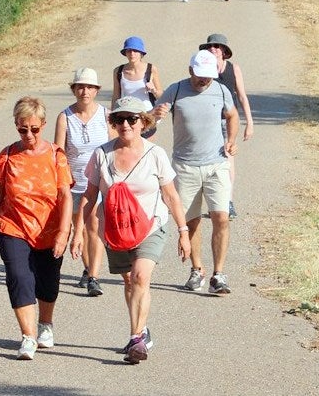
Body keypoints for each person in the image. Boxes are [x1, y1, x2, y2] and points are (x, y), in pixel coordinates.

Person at [72, 97, 191, 364]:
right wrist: (78, 232)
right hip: (116, 230)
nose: (125, 124)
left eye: (132, 119)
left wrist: (183, 231)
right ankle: (140, 331)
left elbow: (170, 195)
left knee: (139, 277)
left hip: (151, 226)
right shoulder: (102, 154)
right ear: (113, 123)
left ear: (143, 122)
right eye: (118, 119)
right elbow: (89, 196)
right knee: (129, 282)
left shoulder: (155, 154)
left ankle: (137, 338)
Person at [0, 97, 73, 360]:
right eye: (23, 129)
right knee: (19, 276)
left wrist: (64, 233)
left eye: (34, 128)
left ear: (43, 125)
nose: (29, 134)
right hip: (12, 225)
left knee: (48, 281)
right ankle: (28, 336)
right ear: (16, 126)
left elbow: (65, 195)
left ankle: (45, 324)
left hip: (50, 228)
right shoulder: (8, 155)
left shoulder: (56, 155)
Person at [153, 51, 239, 295]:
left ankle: (219, 274)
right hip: (184, 166)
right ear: (190, 70)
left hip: (217, 164)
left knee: (221, 217)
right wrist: (154, 115)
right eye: (200, 76)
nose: (204, 81)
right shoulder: (176, 90)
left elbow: (232, 115)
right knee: (191, 221)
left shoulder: (221, 90)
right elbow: (150, 120)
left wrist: (231, 140)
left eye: (209, 77)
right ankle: (197, 269)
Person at [54, 68, 114, 297]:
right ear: (74, 90)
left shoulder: (105, 116)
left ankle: (94, 277)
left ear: (96, 90)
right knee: (80, 227)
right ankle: (88, 269)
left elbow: (112, 148)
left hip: (98, 183)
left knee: (94, 227)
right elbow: (58, 152)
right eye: (80, 87)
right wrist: (60, 183)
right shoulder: (65, 117)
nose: (84, 91)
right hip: (73, 183)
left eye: (89, 87)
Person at [200, 34, 254, 219]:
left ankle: (228, 202)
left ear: (224, 51)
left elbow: (242, 96)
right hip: (209, 121)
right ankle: (215, 203)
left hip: (228, 121)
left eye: (217, 46)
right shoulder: (203, 69)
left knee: (228, 159)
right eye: (210, 47)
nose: (213, 49)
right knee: (209, 162)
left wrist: (249, 123)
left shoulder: (233, 69)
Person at [111, 36, 163, 119]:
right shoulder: (118, 71)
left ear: (141, 53)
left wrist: (154, 90)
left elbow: (161, 96)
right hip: (127, 115)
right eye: (129, 51)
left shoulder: (151, 69)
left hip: (148, 115)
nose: (132, 54)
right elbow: (116, 96)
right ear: (125, 53)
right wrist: (112, 116)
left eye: (135, 51)